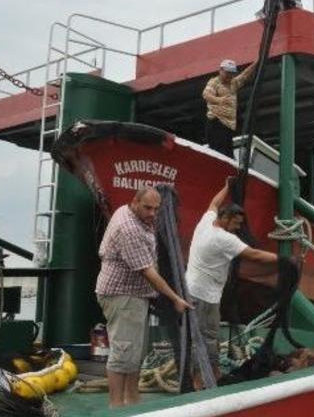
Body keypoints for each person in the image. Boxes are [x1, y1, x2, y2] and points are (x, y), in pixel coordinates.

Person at [96, 187, 192, 408]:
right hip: (122, 295)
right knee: (123, 351)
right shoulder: (128, 228)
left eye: (156, 209)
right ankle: (116, 406)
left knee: (135, 350)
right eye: (147, 208)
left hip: (135, 295)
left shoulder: (129, 212)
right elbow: (147, 271)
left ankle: (133, 398)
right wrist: (175, 298)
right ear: (135, 202)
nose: (152, 214)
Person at [185, 177, 280, 377]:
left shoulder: (206, 222)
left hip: (195, 290)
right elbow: (254, 255)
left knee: (204, 337)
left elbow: (214, 203)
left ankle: (212, 373)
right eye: (236, 224)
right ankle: (200, 379)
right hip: (204, 295)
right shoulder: (223, 238)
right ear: (225, 219)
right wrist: (284, 260)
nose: (238, 228)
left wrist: (226, 186)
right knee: (205, 338)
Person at [202, 59, 257, 157]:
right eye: (227, 72)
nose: (229, 76)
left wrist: (257, 62)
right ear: (221, 70)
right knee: (219, 153)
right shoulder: (214, 82)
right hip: (217, 123)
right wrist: (219, 100)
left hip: (228, 126)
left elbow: (244, 75)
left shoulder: (233, 83)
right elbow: (206, 95)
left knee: (228, 155)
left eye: (232, 73)